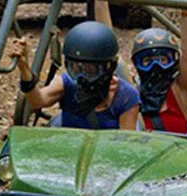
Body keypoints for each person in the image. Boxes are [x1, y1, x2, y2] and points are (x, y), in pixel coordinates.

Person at [90, 0, 187, 133]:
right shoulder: (130, 93)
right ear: (137, 63)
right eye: (147, 60)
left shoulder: (182, 92)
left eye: (163, 59)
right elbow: (109, 51)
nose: (156, 67)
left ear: (174, 61)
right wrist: (101, 0)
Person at [9, 21, 141, 130]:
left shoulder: (126, 96)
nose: (83, 76)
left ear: (109, 67)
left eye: (92, 70)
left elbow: (125, 144)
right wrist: (24, 68)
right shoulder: (67, 83)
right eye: (76, 68)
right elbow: (38, 101)